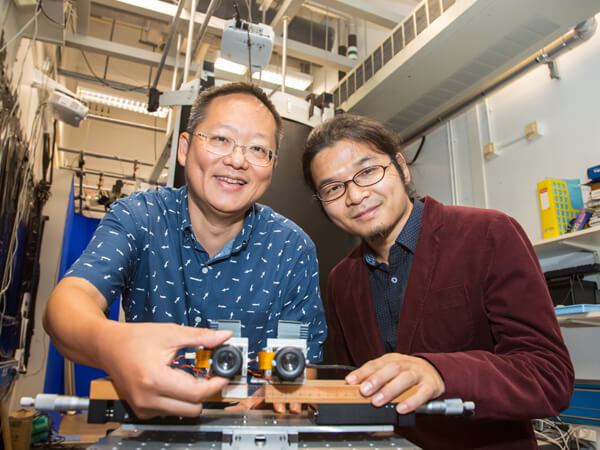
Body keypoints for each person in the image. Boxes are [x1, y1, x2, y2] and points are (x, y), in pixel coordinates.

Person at [43, 82, 326, 419]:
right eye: (221, 139)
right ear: (184, 148)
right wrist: (113, 344)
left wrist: (285, 392)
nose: (237, 160)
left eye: (258, 149)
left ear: (271, 167)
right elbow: (67, 305)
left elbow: (302, 365)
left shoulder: (293, 249)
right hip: (152, 427)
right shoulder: (139, 217)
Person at [301, 113, 574, 449]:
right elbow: (355, 382)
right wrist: (308, 393)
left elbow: (549, 376)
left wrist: (440, 372)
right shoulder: (341, 280)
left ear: (401, 168)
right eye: (332, 187)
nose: (355, 196)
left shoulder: (488, 234)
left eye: (368, 171)